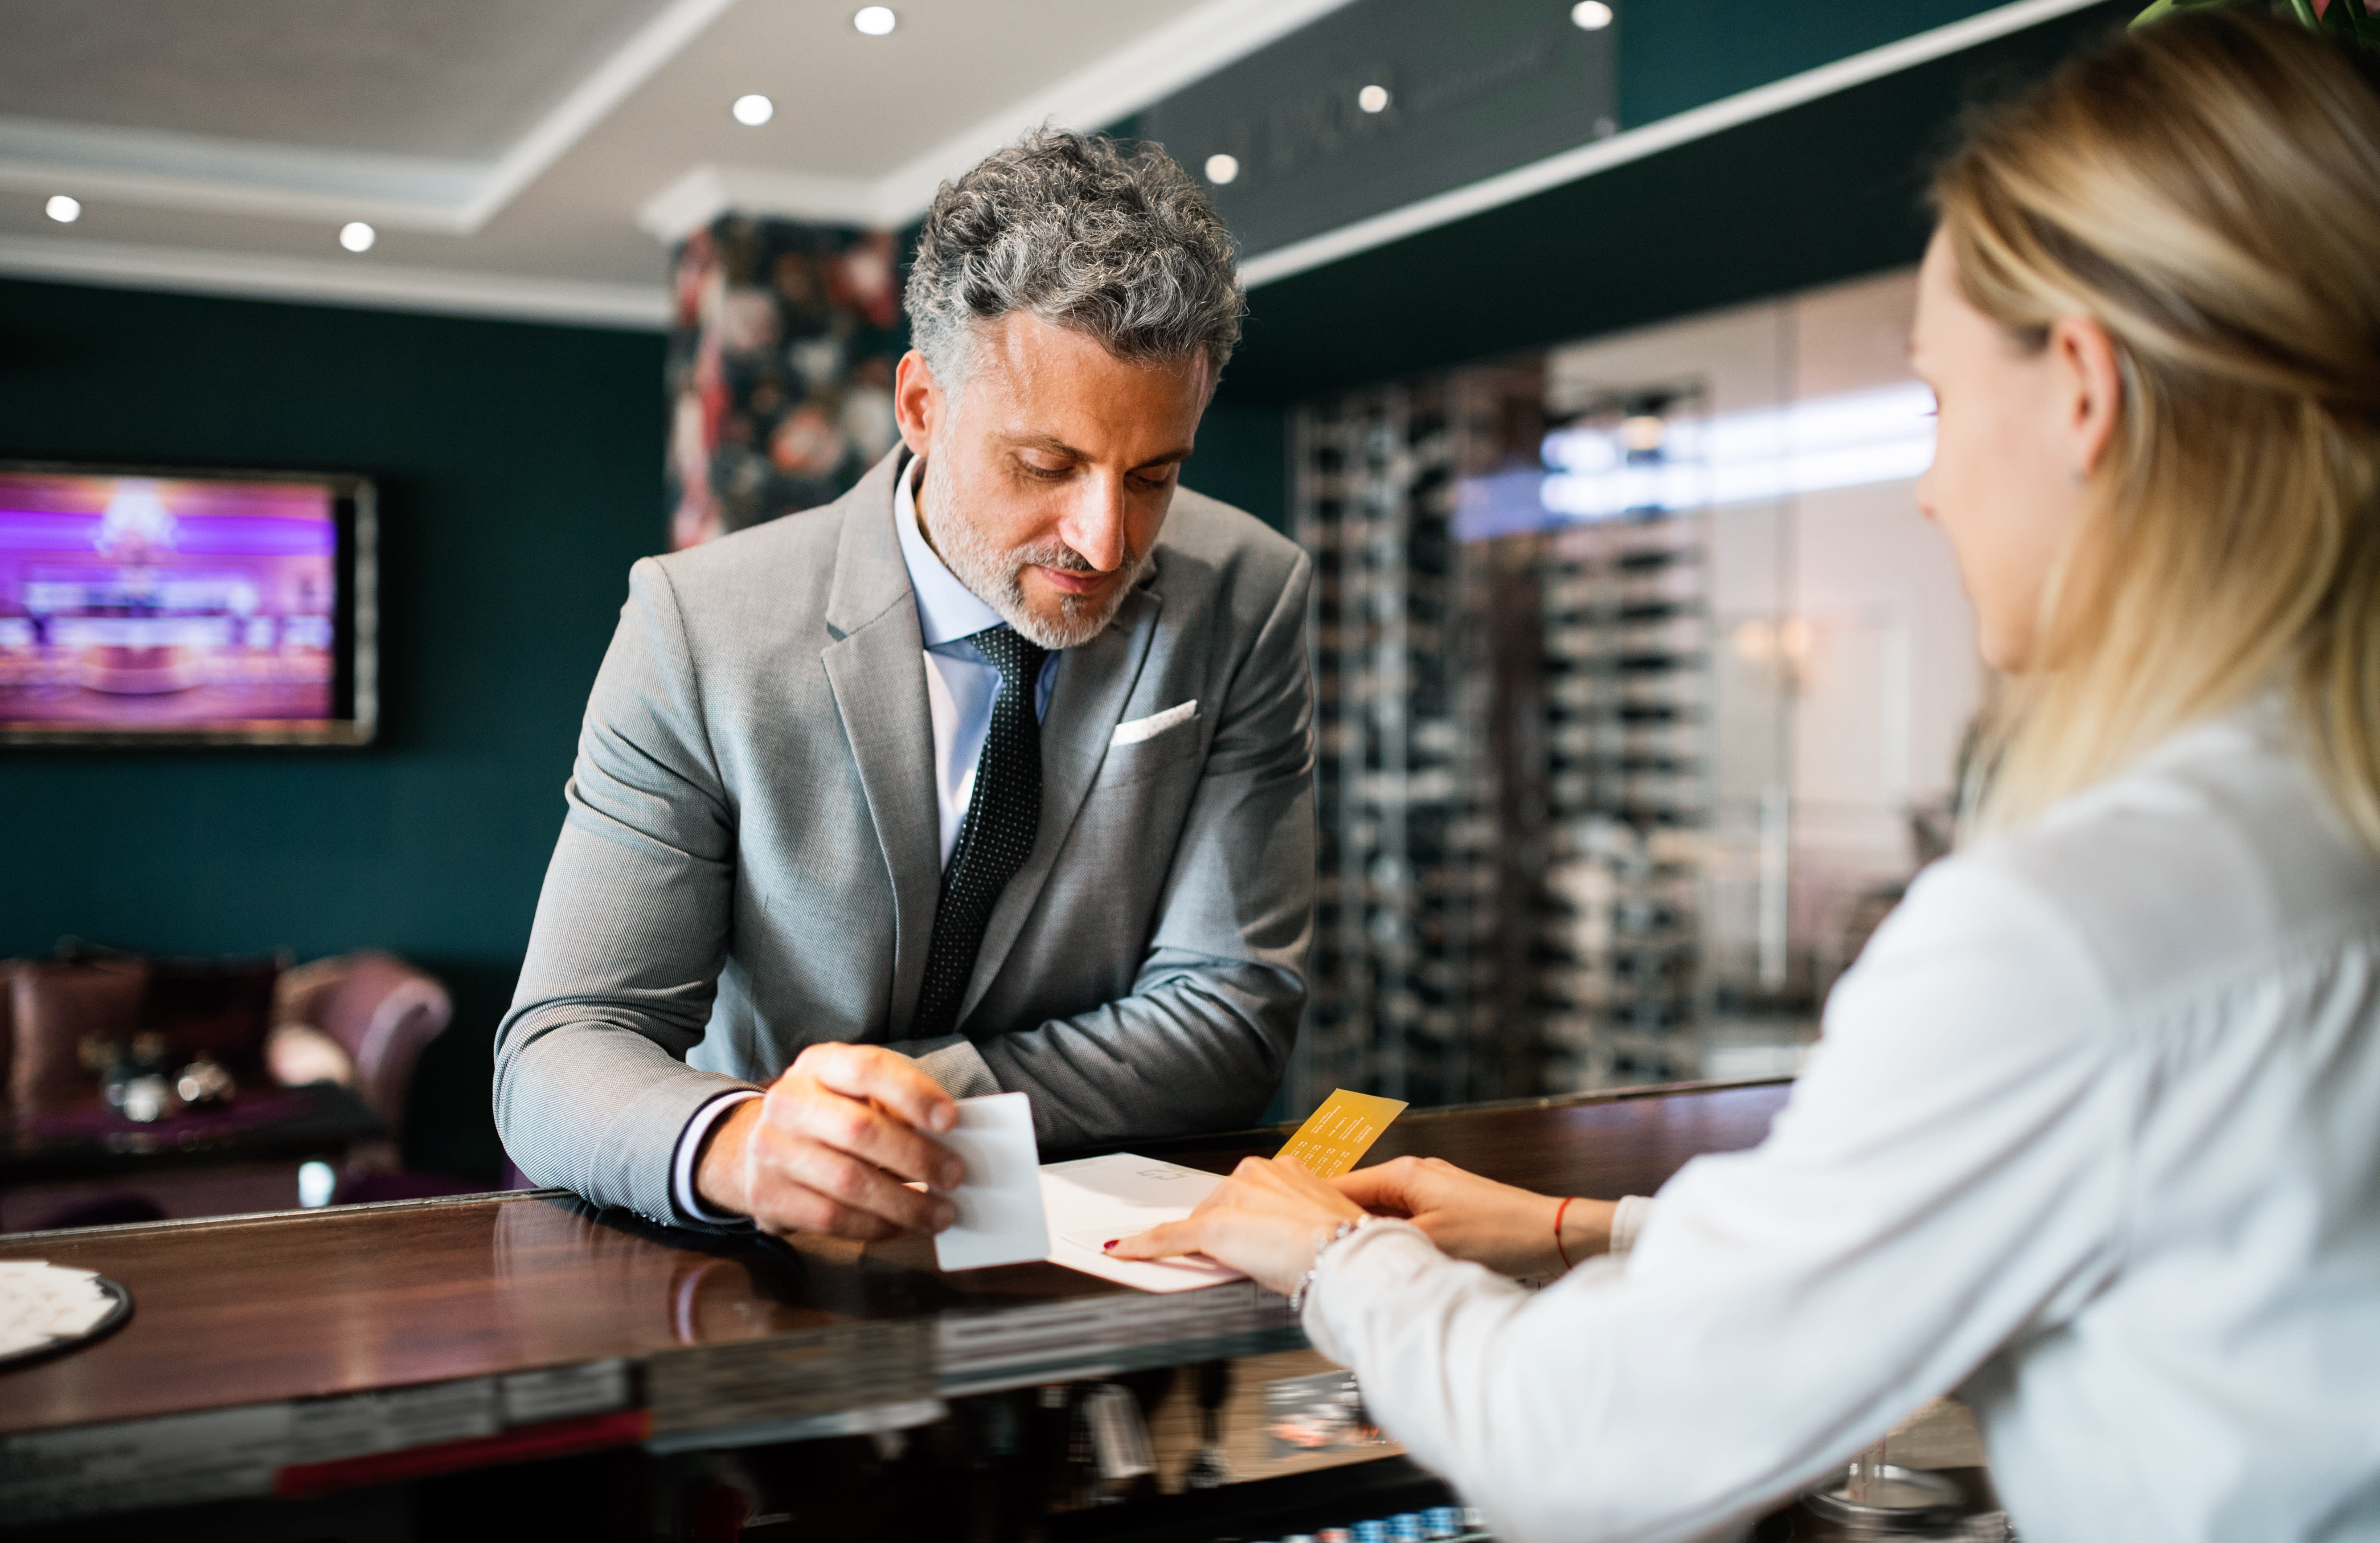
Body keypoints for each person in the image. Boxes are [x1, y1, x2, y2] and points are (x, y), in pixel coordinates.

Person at [1113, 16, 2380, 1541]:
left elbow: (1586, 1453)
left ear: (2082, 394)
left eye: (1932, 400)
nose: (1925, 484)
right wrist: (1579, 1224)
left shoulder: (2074, 927)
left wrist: (1329, 1258)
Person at [496, 129, 1314, 1239]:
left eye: (1154, 475)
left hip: (1105, 1261)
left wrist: (900, 1109)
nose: (1106, 538)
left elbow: (1230, 1017)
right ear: (922, 405)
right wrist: (743, 1140)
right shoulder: (697, 627)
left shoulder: (1248, 594)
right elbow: (560, 1048)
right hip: (762, 1257)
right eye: (1047, 466)